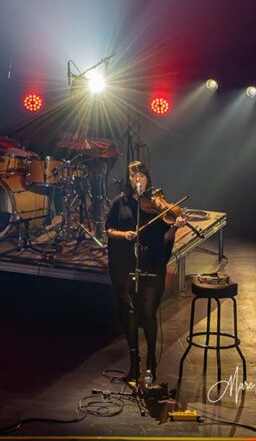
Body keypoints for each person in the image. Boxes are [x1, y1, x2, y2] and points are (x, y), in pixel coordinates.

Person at [104, 160, 187, 383]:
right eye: (133, 176)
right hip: (126, 264)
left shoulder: (156, 205)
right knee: (129, 314)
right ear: (128, 179)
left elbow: (164, 238)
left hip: (151, 263)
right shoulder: (119, 203)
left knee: (148, 314)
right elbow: (108, 229)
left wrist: (174, 228)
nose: (137, 179)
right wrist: (125, 235)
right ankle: (134, 363)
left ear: (148, 178)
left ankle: (151, 362)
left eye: (141, 175)